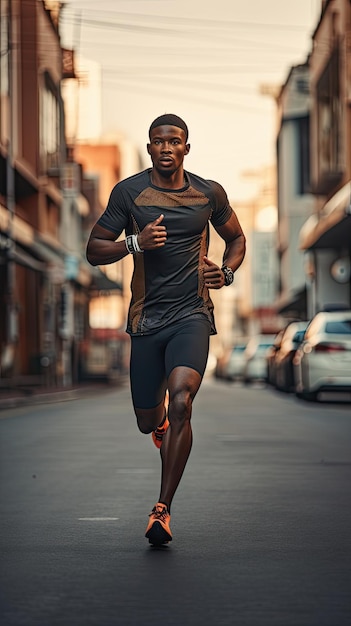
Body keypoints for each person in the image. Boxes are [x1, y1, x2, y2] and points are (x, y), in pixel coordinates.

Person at [86, 113, 246, 546]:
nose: (167, 148)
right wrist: (134, 242)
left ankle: (162, 510)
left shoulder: (208, 193)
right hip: (146, 320)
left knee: (182, 398)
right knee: (146, 420)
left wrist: (226, 274)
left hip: (192, 314)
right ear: (150, 147)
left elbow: (237, 239)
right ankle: (158, 427)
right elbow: (94, 250)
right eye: (159, 141)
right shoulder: (130, 193)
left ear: (186, 148)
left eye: (175, 141)